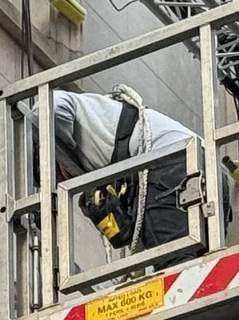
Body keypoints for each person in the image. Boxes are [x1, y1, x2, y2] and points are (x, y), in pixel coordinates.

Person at [53, 85, 194, 251]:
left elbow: (52, 106)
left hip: (171, 165)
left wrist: (64, 153)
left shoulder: (79, 112)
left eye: (58, 176)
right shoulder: (100, 161)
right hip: (194, 166)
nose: (64, 180)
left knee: (172, 262)